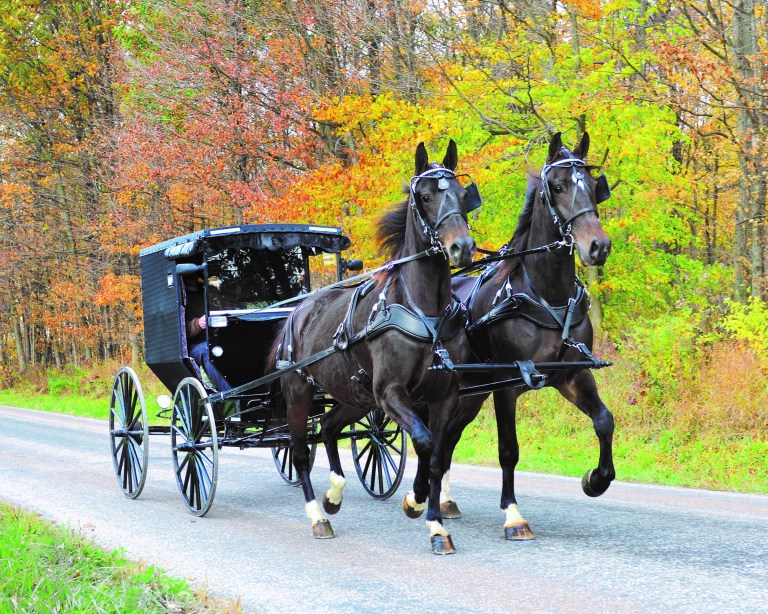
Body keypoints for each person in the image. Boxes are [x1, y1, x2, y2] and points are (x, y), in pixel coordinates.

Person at [185, 278, 232, 392]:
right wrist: (198, 324)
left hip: (222, 339)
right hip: (196, 345)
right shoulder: (181, 295)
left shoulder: (212, 292)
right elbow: (183, 329)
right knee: (208, 350)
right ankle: (230, 393)